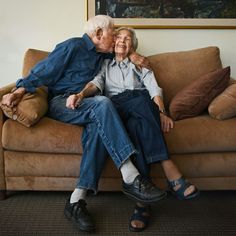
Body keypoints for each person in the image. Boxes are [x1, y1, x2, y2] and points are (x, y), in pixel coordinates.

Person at [1, 15, 168, 232]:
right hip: (62, 102)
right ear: (99, 34)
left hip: (86, 105)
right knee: (103, 104)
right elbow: (44, 70)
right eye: (113, 32)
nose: (116, 36)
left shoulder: (103, 55)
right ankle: (130, 175)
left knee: (98, 128)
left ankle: (76, 200)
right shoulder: (73, 46)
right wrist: (19, 90)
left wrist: (134, 54)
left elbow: (122, 53)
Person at [75, 27, 200, 232]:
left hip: (138, 112)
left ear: (132, 45)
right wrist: (81, 94)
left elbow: (153, 88)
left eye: (127, 39)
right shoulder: (104, 63)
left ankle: (143, 203)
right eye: (119, 37)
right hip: (114, 110)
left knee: (137, 124)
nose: (122, 41)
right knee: (139, 100)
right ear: (113, 41)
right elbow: (95, 84)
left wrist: (161, 111)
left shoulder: (141, 64)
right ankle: (169, 168)